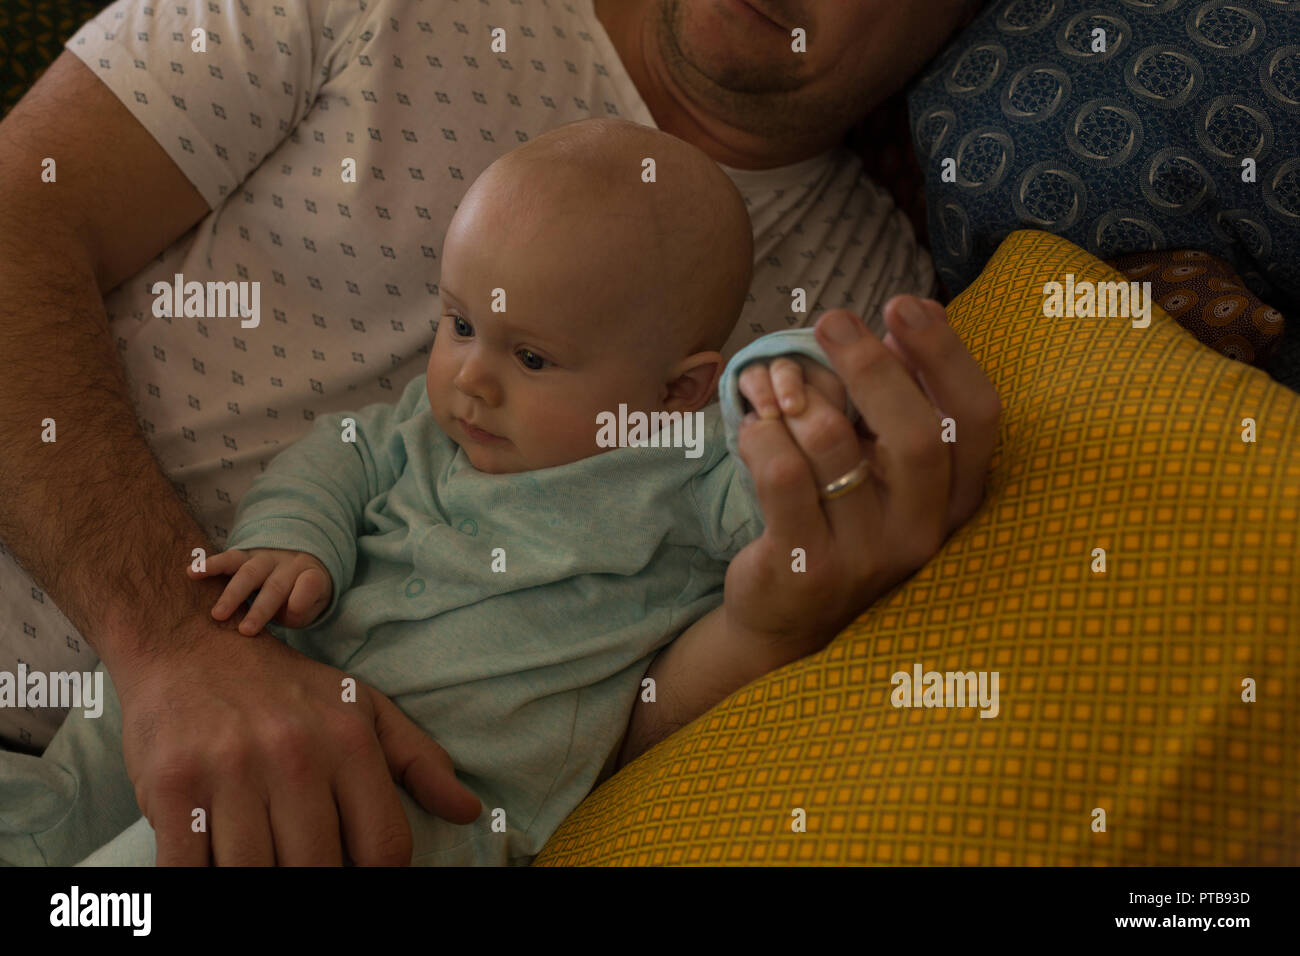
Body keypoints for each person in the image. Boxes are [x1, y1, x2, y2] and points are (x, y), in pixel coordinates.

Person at [0, 0, 999, 864]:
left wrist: (767, 629)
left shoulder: (862, 316)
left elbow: (605, 709)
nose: (469, 380)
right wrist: (175, 645)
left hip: (372, 799)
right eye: (462, 325)